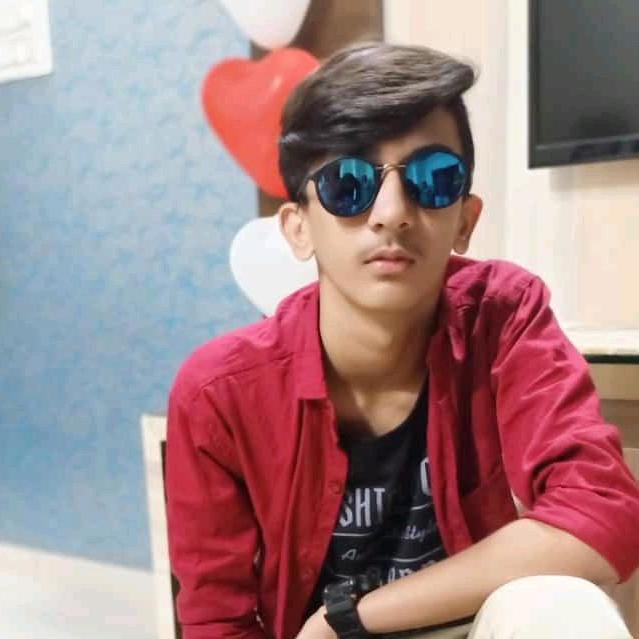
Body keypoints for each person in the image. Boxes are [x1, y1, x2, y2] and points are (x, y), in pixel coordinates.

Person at [165, 41, 639, 639]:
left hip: (451, 626)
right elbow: (217, 622)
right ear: (298, 227)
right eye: (348, 182)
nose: (391, 213)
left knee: (556, 603)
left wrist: (346, 619)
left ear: (465, 219)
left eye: (432, 179)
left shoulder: (502, 316)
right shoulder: (219, 393)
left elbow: (603, 514)